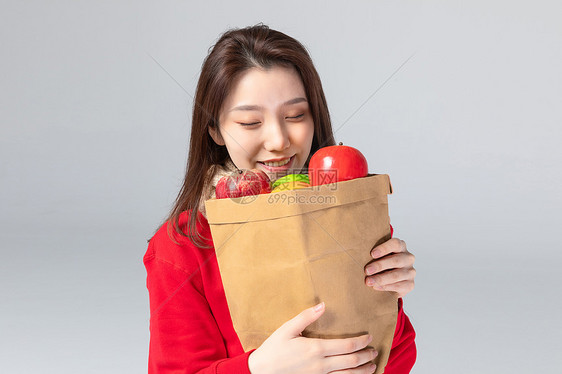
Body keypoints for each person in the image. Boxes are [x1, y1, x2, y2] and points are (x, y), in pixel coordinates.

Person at [143, 23, 417, 374]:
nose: (278, 140)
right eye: (249, 122)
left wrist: (388, 297)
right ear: (214, 130)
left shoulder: (347, 219)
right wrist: (257, 369)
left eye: (295, 116)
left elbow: (399, 360)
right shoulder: (181, 246)